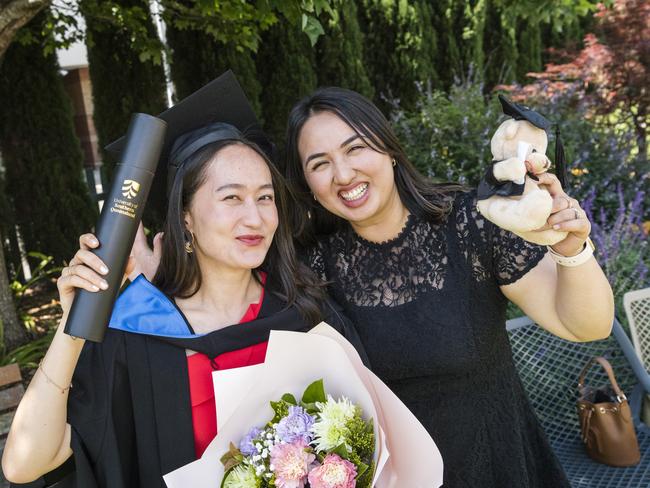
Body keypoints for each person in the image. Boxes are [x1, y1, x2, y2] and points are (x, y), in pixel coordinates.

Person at [2, 77, 364, 488]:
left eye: (265, 197)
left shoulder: (305, 314)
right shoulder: (138, 333)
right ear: (186, 217)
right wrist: (74, 329)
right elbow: (26, 463)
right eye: (231, 197)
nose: (256, 217)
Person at [280, 87, 614, 487]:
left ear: (388, 148)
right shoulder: (313, 268)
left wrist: (571, 248)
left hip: (500, 468)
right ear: (307, 183)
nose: (344, 174)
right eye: (320, 164)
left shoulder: (471, 222)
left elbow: (586, 326)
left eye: (355, 149)